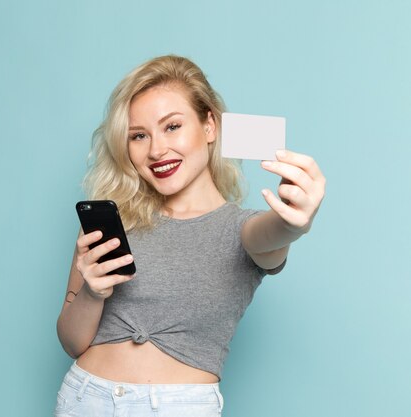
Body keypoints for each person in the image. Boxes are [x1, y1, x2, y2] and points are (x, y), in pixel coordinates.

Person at [55, 55, 325, 417]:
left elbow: (270, 236)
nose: (155, 150)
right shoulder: (111, 222)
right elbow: (72, 342)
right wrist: (92, 292)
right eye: (139, 135)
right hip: (84, 398)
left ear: (209, 125)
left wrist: (294, 224)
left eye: (172, 127)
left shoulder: (241, 228)